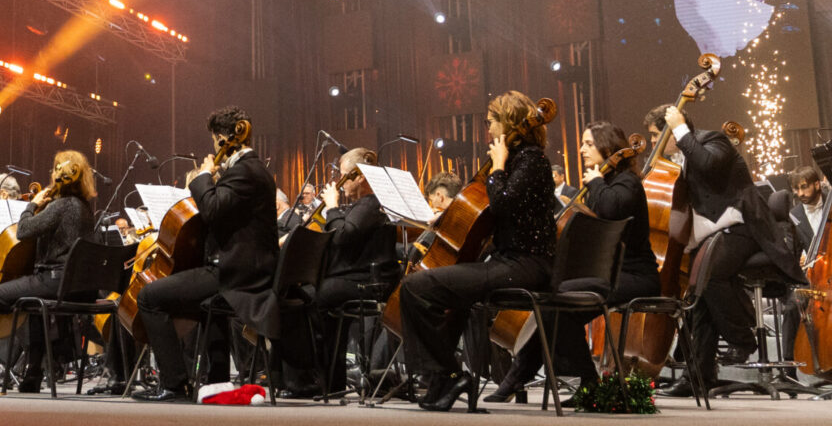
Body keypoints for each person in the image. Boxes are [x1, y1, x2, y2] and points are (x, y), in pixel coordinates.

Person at [398, 91, 555, 412]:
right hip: (506, 261)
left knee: (415, 287)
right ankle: (441, 378)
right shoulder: (517, 161)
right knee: (442, 297)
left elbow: (502, 204)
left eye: (490, 121)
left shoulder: (532, 161)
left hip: (526, 265)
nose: (488, 128)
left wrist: (497, 167)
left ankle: (450, 375)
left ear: (509, 122)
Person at [648, 90, 805, 398]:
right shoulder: (679, 161)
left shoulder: (713, 140)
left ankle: (742, 338)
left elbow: (708, 165)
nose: (653, 142)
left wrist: (680, 129)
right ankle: (698, 376)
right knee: (698, 299)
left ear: (672, 129)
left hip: (745, 228)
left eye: (656, 135)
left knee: (710, 274)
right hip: (715, 234)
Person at [489, 121, 659, 400]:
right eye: (582, 143)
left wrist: (596, 183)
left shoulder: (627, 182)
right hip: (606, 276)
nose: (581, 149)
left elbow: (611, 210)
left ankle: (530, 374)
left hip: (635, 276)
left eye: (589, 144)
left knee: (559, 304)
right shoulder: (604, 185)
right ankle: (551, 377)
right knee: (555, 303)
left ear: (608, 147)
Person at [131, 105, 279, 403]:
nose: (214, 147)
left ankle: (174, 384)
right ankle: (217, 381)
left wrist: (203, 176)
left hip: (234, 273)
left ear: (223, 138)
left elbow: (211, 209)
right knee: (200, 302)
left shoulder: (245, 171)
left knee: (149, 297)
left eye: (214, 140)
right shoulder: (252, 170)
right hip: (243, 268)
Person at [0, 150, 96, 394]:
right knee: (34, 306)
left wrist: (32, 205)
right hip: (80, 287)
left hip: (55, 281)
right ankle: (32, 375)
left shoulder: (61, 206)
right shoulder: (85, 208)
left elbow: (23, 230)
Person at [279, 147, 398, 398]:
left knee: (304, 299)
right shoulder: (362, 205)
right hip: (355, 278)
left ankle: (310, 380)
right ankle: (328, 382)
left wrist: (332, 207)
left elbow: (344, 236)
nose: (340, 182)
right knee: (310, 294)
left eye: (344, 176)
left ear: (360, 177)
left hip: (367, 282)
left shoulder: (370, 203)